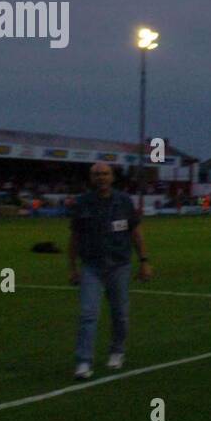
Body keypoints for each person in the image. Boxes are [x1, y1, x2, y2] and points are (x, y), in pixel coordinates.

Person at [68, 162, 152, 380]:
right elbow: (75, 237)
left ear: (112, 177)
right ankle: (84, 361)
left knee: (120, 314)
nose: (101, 178)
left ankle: (117, 351)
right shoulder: (82, 203)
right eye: (96, 174)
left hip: (119, 265)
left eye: (105, 174)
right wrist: (72, 267)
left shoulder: (124, 201)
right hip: (91, 266)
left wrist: (144, 261)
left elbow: (136, 233)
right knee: (88, 314)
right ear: (91, 178)